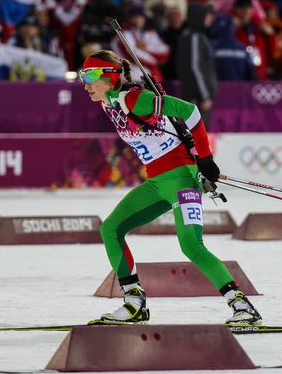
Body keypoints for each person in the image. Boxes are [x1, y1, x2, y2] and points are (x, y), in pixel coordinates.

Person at [78, 49, 263, 326]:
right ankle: (134, 304)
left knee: (191, 245)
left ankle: (243, 307)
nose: (85, 83)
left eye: (90, 75)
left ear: (110, 77)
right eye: (83, 76)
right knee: (111, 229)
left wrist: (205, 158)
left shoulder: (134, 99)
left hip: (182, 180)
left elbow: (190, 111)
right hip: (156, 182)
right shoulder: (108, 102)